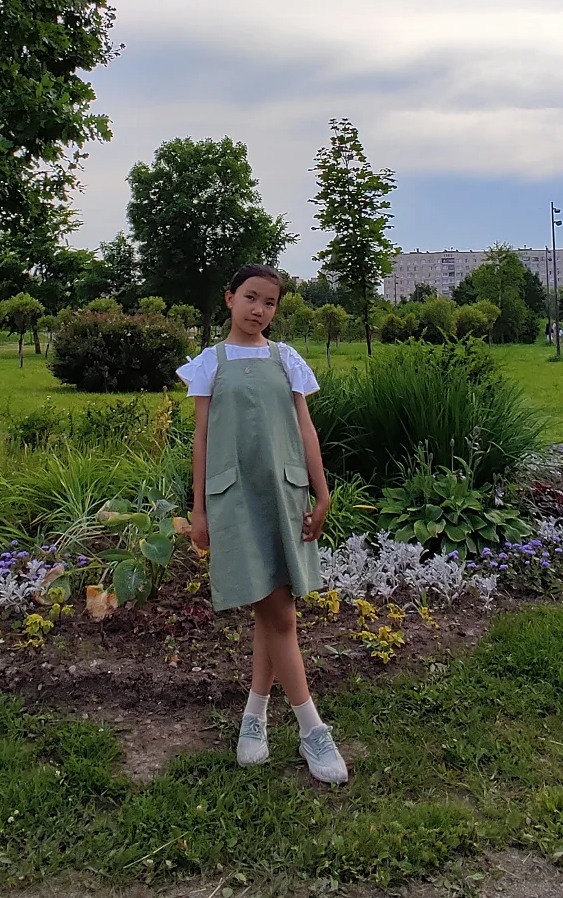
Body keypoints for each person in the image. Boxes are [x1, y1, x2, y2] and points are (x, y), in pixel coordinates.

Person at [179, 263, 348, 785]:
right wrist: (199, 509)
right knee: (278, 614)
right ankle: (311, 727)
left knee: (274, 612)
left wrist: (322, 492)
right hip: (234, 499)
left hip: (284, 494)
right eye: (251, 297)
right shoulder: (209, 364)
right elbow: (202, 439)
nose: (259, 310)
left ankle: (254, 717)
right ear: (230, 298)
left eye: (270, 302)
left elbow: (305, 428)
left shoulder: (287, 359)